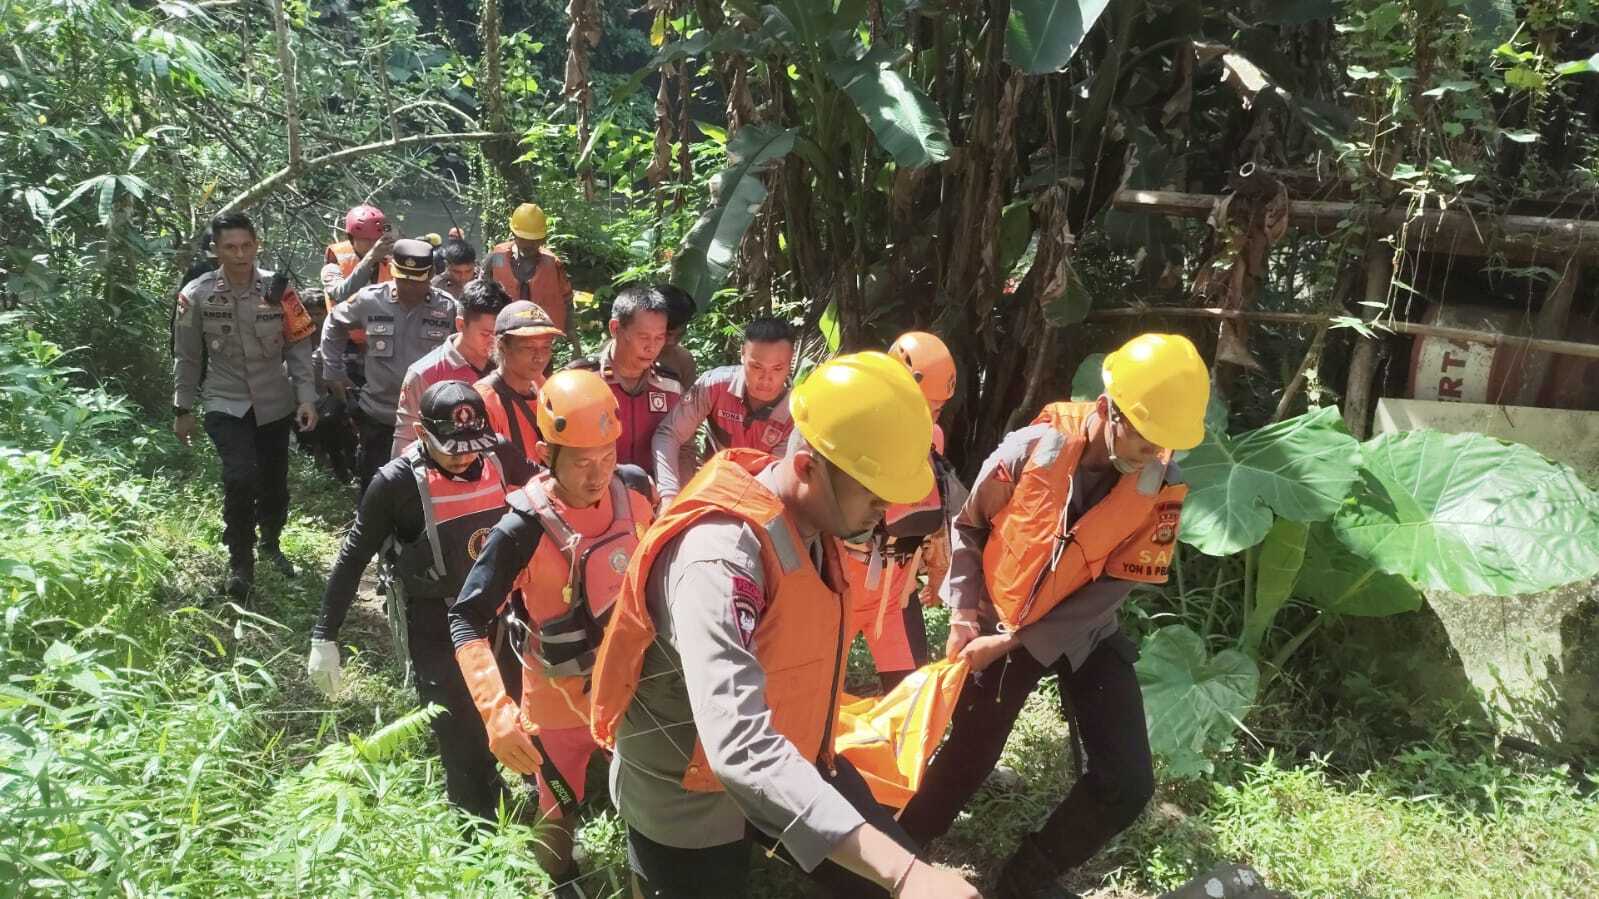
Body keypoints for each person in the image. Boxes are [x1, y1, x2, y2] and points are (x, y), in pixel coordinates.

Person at [589, 352, 980, 899]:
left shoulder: (819, 520)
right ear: (806, 468)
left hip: (797, 757)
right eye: (873, 493)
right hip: (688, 795)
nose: (885, 510)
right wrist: (906, 874)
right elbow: (740, 746)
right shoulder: (718, 558)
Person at [896, 333, 1210, 899]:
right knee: (964, 762)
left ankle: (1027, 877)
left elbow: (1116, 584)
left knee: (1128, 781)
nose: (1156, 454)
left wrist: (1018, 642)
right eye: (1146, 440)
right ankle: (885, 868)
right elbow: (968, 527)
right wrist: (966, 614)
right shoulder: (1033, 446)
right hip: (1000, 616)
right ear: (1110, 410)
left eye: (1166, 443)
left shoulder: (1161, 479)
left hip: (1083, 632)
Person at [451, 369, 657, 898]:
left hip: (633, 691)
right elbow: (466, 618)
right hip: (558, 701)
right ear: (545, 453)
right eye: (582, 462)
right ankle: (558, 884)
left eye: (607, 456)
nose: (598, 475)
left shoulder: (634, 489)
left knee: (651, 811)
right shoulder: (522, 527)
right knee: (556, 808)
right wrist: (498, 714)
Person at [307, 381, 537, 822]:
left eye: (473, 446)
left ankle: (540, 794)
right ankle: (478, 829)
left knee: (520, 705)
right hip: (439, 619)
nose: (465, 457)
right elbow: (353, 557)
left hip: (504, 613)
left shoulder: (499, 456)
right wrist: (325, 635)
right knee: (460, 727)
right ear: (421, 432)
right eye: (452, 449)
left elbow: (546, 495)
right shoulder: (395, 484)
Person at [172, 212, 319, 598]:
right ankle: (241, 562)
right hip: (225, 399)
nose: (239, 255)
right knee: (239, 476)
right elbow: (186, 356)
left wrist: (306, 398)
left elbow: (299, 348)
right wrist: (182, 408)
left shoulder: (280, 291)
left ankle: (270, 541)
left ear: (257, 245)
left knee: (274, 484)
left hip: (274, 400)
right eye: (230, 248)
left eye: (246, 246)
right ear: (216, 250)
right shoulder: (197, 294)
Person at [840, 331, 964, 693]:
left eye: (937, 407)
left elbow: (933, 510)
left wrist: (939, 569)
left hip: (896, 592)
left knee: (911, 701)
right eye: (921, 403)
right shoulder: (852, 433)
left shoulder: (933, 440)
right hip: (841, 587)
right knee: (811, 697)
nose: (927, 416)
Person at [320, 238, 458, 493]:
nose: (409, 286)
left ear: (430, 276)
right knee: (374, 487)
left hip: (427, 421)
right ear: (394, 272)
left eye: (417, 280)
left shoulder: (447, 307)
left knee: (423, 491)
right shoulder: (371, 300)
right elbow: (334, 324)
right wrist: (334, 372)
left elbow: (465, 350)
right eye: (403, 278)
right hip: (379, 416)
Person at [650, 316, 797, 505]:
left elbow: (776, 479)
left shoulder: (795, 414)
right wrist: (669, 495)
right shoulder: (715, 386)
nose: (766, 379)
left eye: (777, 368)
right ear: (743, 353)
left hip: (762, 499)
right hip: (710, 488)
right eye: (756, 366)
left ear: (790, 362)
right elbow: (669, 434)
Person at [566, 287, 682, 478]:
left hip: (655, 498)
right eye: (643, 336)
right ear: (615, 328)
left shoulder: (670, 385)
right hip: (595, 494)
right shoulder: (581, 382)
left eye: (659, 338)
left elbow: (683, 448)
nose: (651, 347)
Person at [390, 279, 509, 458]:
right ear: (460, 325)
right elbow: (405, 443)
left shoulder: (509, 362)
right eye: (486, 334)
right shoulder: (425, 374)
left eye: (500, 334)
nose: (495, 342)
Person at [476, 301, 562, 465]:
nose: (540, 357)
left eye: (546, 347)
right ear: (502, 346)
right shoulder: (485, 401)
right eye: (529, 347)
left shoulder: (543, 388)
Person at [482, 203, 576, 343]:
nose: (529, 244)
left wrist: (572, 336)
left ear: (542, 239)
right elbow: (480, 291)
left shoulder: (552, 264)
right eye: (524, 239)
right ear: (514, 234)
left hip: (540, 338)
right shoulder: (498, 258)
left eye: (534, 240)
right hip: (504, 336)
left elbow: (567, 302)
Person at [320, 205, 395, 353]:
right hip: (344, 343)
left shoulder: (390, 261)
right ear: (351, 238)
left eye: (377, 240)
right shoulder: (334, 264)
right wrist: (371, 258)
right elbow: (341, 294)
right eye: (367, 240)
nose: (374, 245)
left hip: (381, 340)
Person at [655, 283, 699, 387]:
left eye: (679, 335)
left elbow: (689, 401)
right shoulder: (620, 353)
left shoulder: (683, 360)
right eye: (668, 334)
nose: (672, 342)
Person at [432, 237, 478, 302]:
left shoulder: (485, 284)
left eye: (468, 271)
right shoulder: (436, 286)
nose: (463, 277)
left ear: (474, 265)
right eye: (457, 272)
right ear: (447, 265)